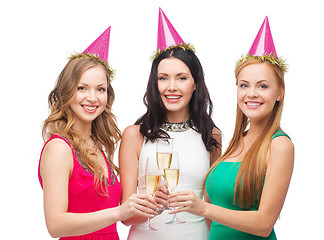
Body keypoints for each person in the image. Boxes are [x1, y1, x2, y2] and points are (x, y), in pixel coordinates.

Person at [168, 16, 294, 239]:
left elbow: (264, 224)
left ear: (279, 92)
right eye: (244, 85)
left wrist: (204, 208)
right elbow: (213, 211)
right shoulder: (236, 142)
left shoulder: (280, 145)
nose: (251, 93)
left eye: (262, 86)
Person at [38, 27, 159, 240]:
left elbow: (122, 212)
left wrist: (154, 201)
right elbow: (55, 225)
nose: (93, 98)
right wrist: (118, 212)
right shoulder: (59, 148)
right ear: (67, 92)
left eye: (100, 89)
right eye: (82, 88)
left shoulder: (98, 146)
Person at [119, 8, 221, 240]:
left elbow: (212, 210)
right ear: (154, 84)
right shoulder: (135, 135)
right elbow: (125, 217)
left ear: (195, 84)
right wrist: (152, 204)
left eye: (181, 78)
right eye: (163, 78)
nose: (171, 87)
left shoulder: (211, 135)